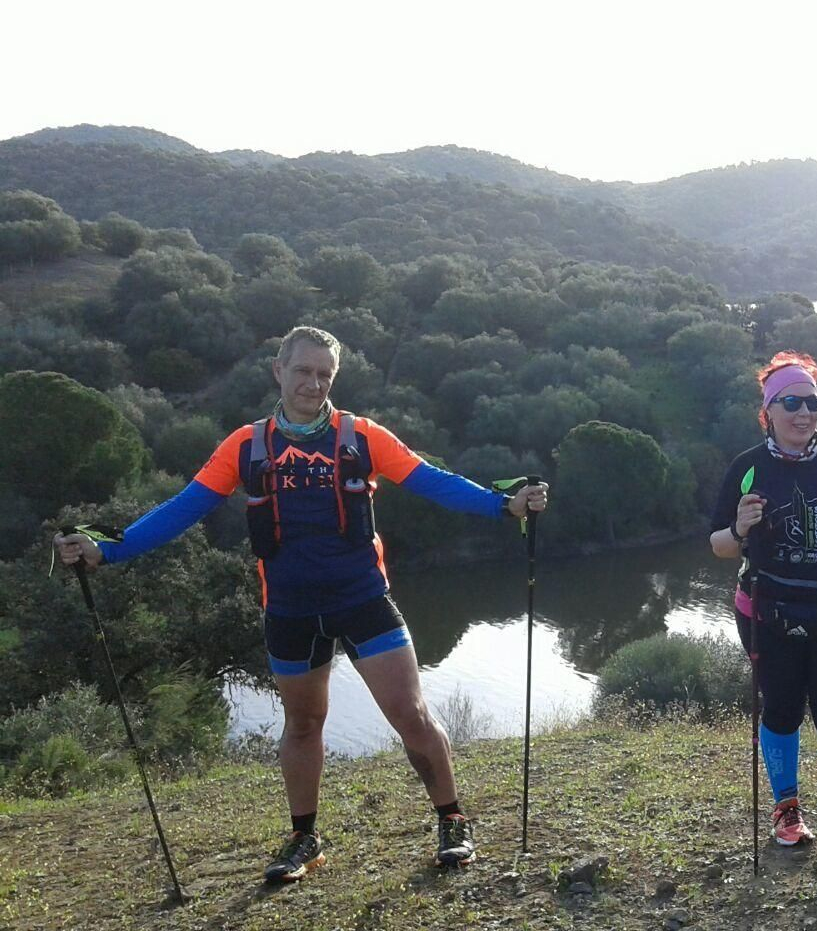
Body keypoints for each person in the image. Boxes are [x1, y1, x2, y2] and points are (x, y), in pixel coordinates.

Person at [55, 326, 548, 883]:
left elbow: (431, 480)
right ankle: (303, 837)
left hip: (363, 599)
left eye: (324, 375)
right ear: (278, 371)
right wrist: (109, 551)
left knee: (411, 714)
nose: (313, 384)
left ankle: (452, 820)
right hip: (288, 609)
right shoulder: (245, 446)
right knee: (303, 723)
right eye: (303, 371)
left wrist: (503, 506)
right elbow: (184, 507)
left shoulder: (361, 436)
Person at [709, 351, 817, 852]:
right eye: (791, 401)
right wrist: (740, 528)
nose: (804, 412)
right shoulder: (747, 467)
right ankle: (787, 808)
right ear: (769, 410)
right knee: (782, 710)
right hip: (765, 608)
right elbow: (719, 545)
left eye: (812, 401)